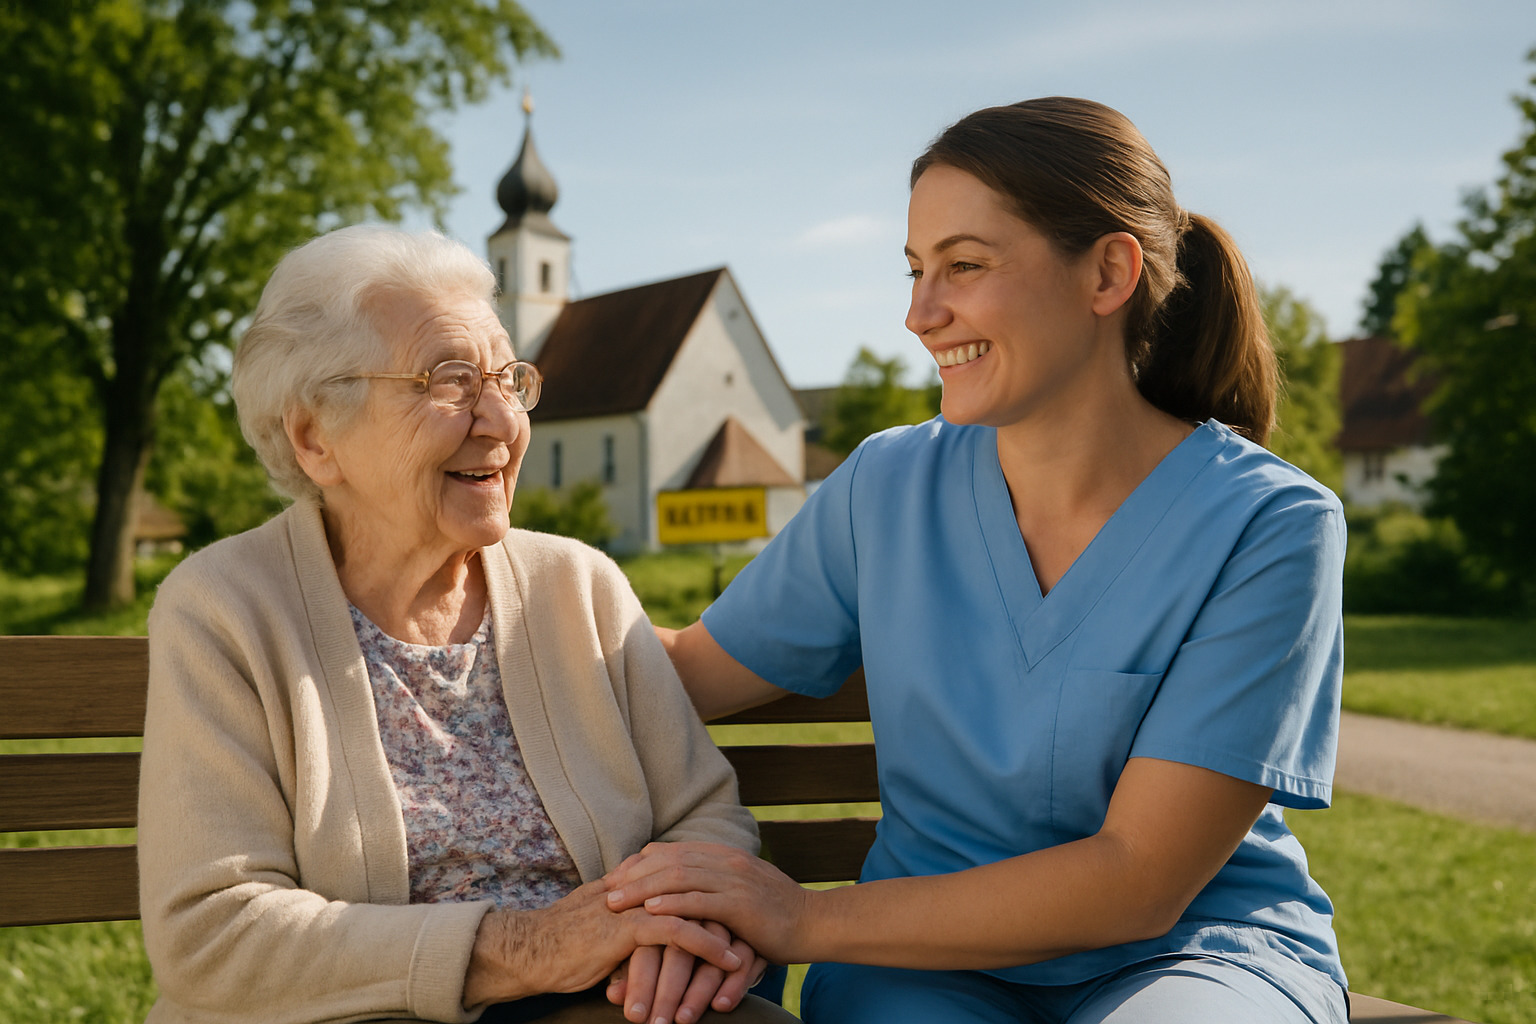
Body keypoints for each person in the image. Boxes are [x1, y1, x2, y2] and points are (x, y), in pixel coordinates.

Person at [603, 98, 1349, 1023]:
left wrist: (798, 919)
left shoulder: (1269, 524)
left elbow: (1138, 880)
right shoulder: (887, 485)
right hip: (913, 966)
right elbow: (679, 677)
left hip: (1194, 957)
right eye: (916, 270)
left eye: (964, 265)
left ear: (1109, 271)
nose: (921, 313)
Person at [137, 226, 798, 1024]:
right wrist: (528, 948)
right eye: (447, 382)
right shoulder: (222, 610)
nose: (499, 420)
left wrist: (673, 931)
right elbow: (215, 933)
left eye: (507, 379)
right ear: (315, 437)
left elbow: (703, 814)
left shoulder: (576, 583)